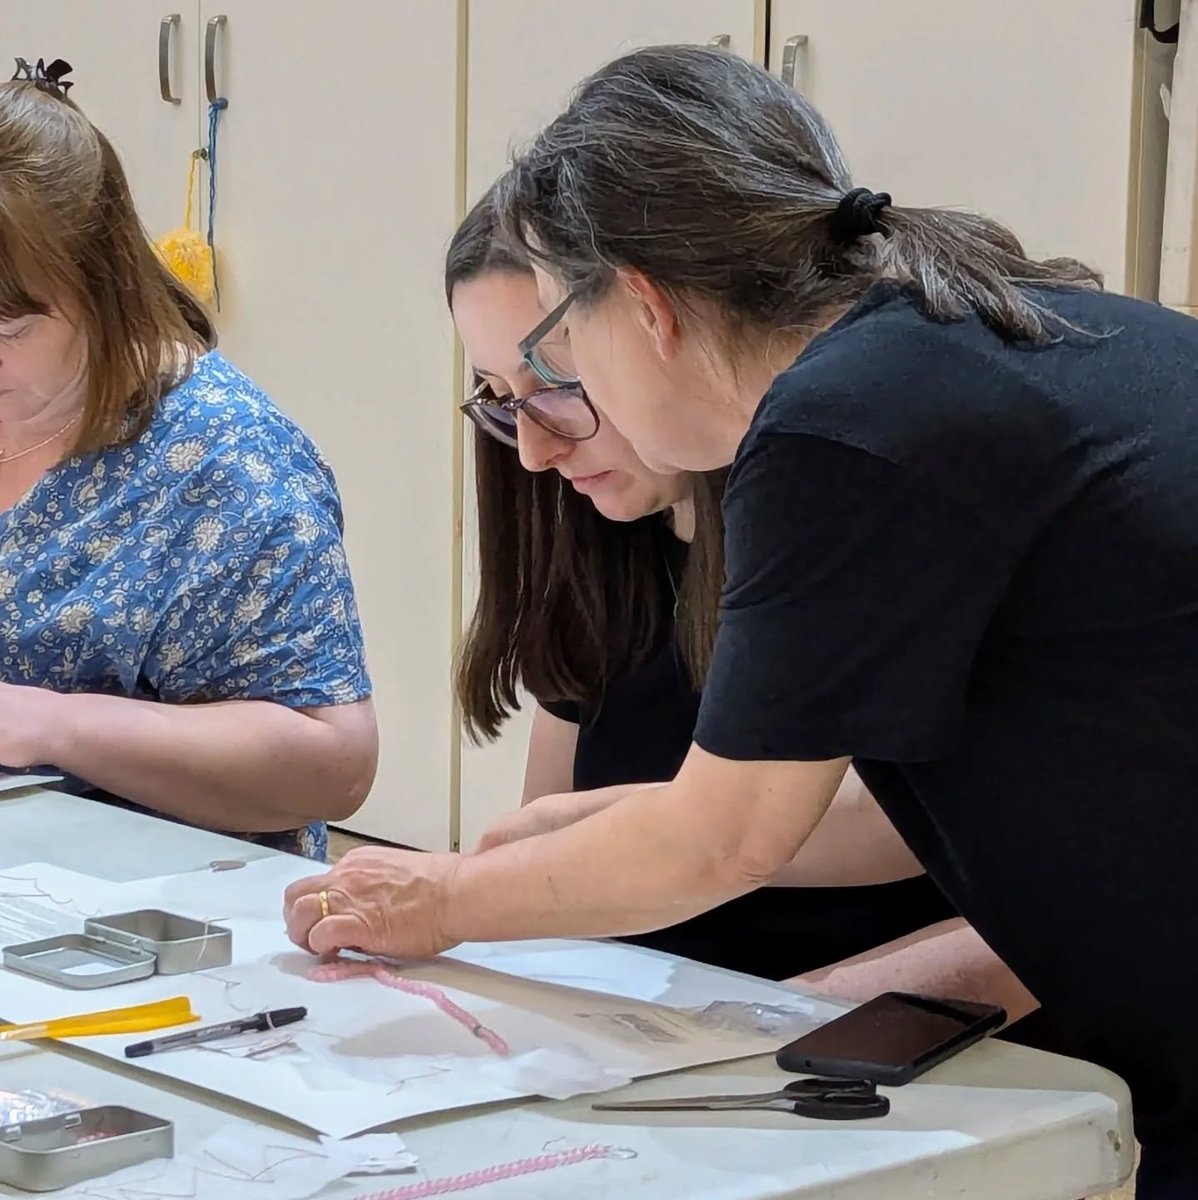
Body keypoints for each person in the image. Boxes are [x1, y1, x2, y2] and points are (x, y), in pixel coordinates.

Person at [281, 46, 1198, 1193]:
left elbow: (728, 841)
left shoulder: (836, 425)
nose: (557, 417)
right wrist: (636, 812)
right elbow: (866, 798)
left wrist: (438, 900)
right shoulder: (990, 333)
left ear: (644, 304)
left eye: (560, 357)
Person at [446, 189, 961, 983]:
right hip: (645, 1011)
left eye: (558, 378)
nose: (534, 448)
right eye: (500, 398)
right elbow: (540, 844)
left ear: (653, 323)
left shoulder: (844, 511)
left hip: (844, 1014)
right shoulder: (587, 536)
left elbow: (889, 831)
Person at [0, 65, 376, 859]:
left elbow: (332, 761)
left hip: (155, 910)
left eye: (8, 333)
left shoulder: (223, 459)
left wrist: (49, 723)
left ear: (101, 288)